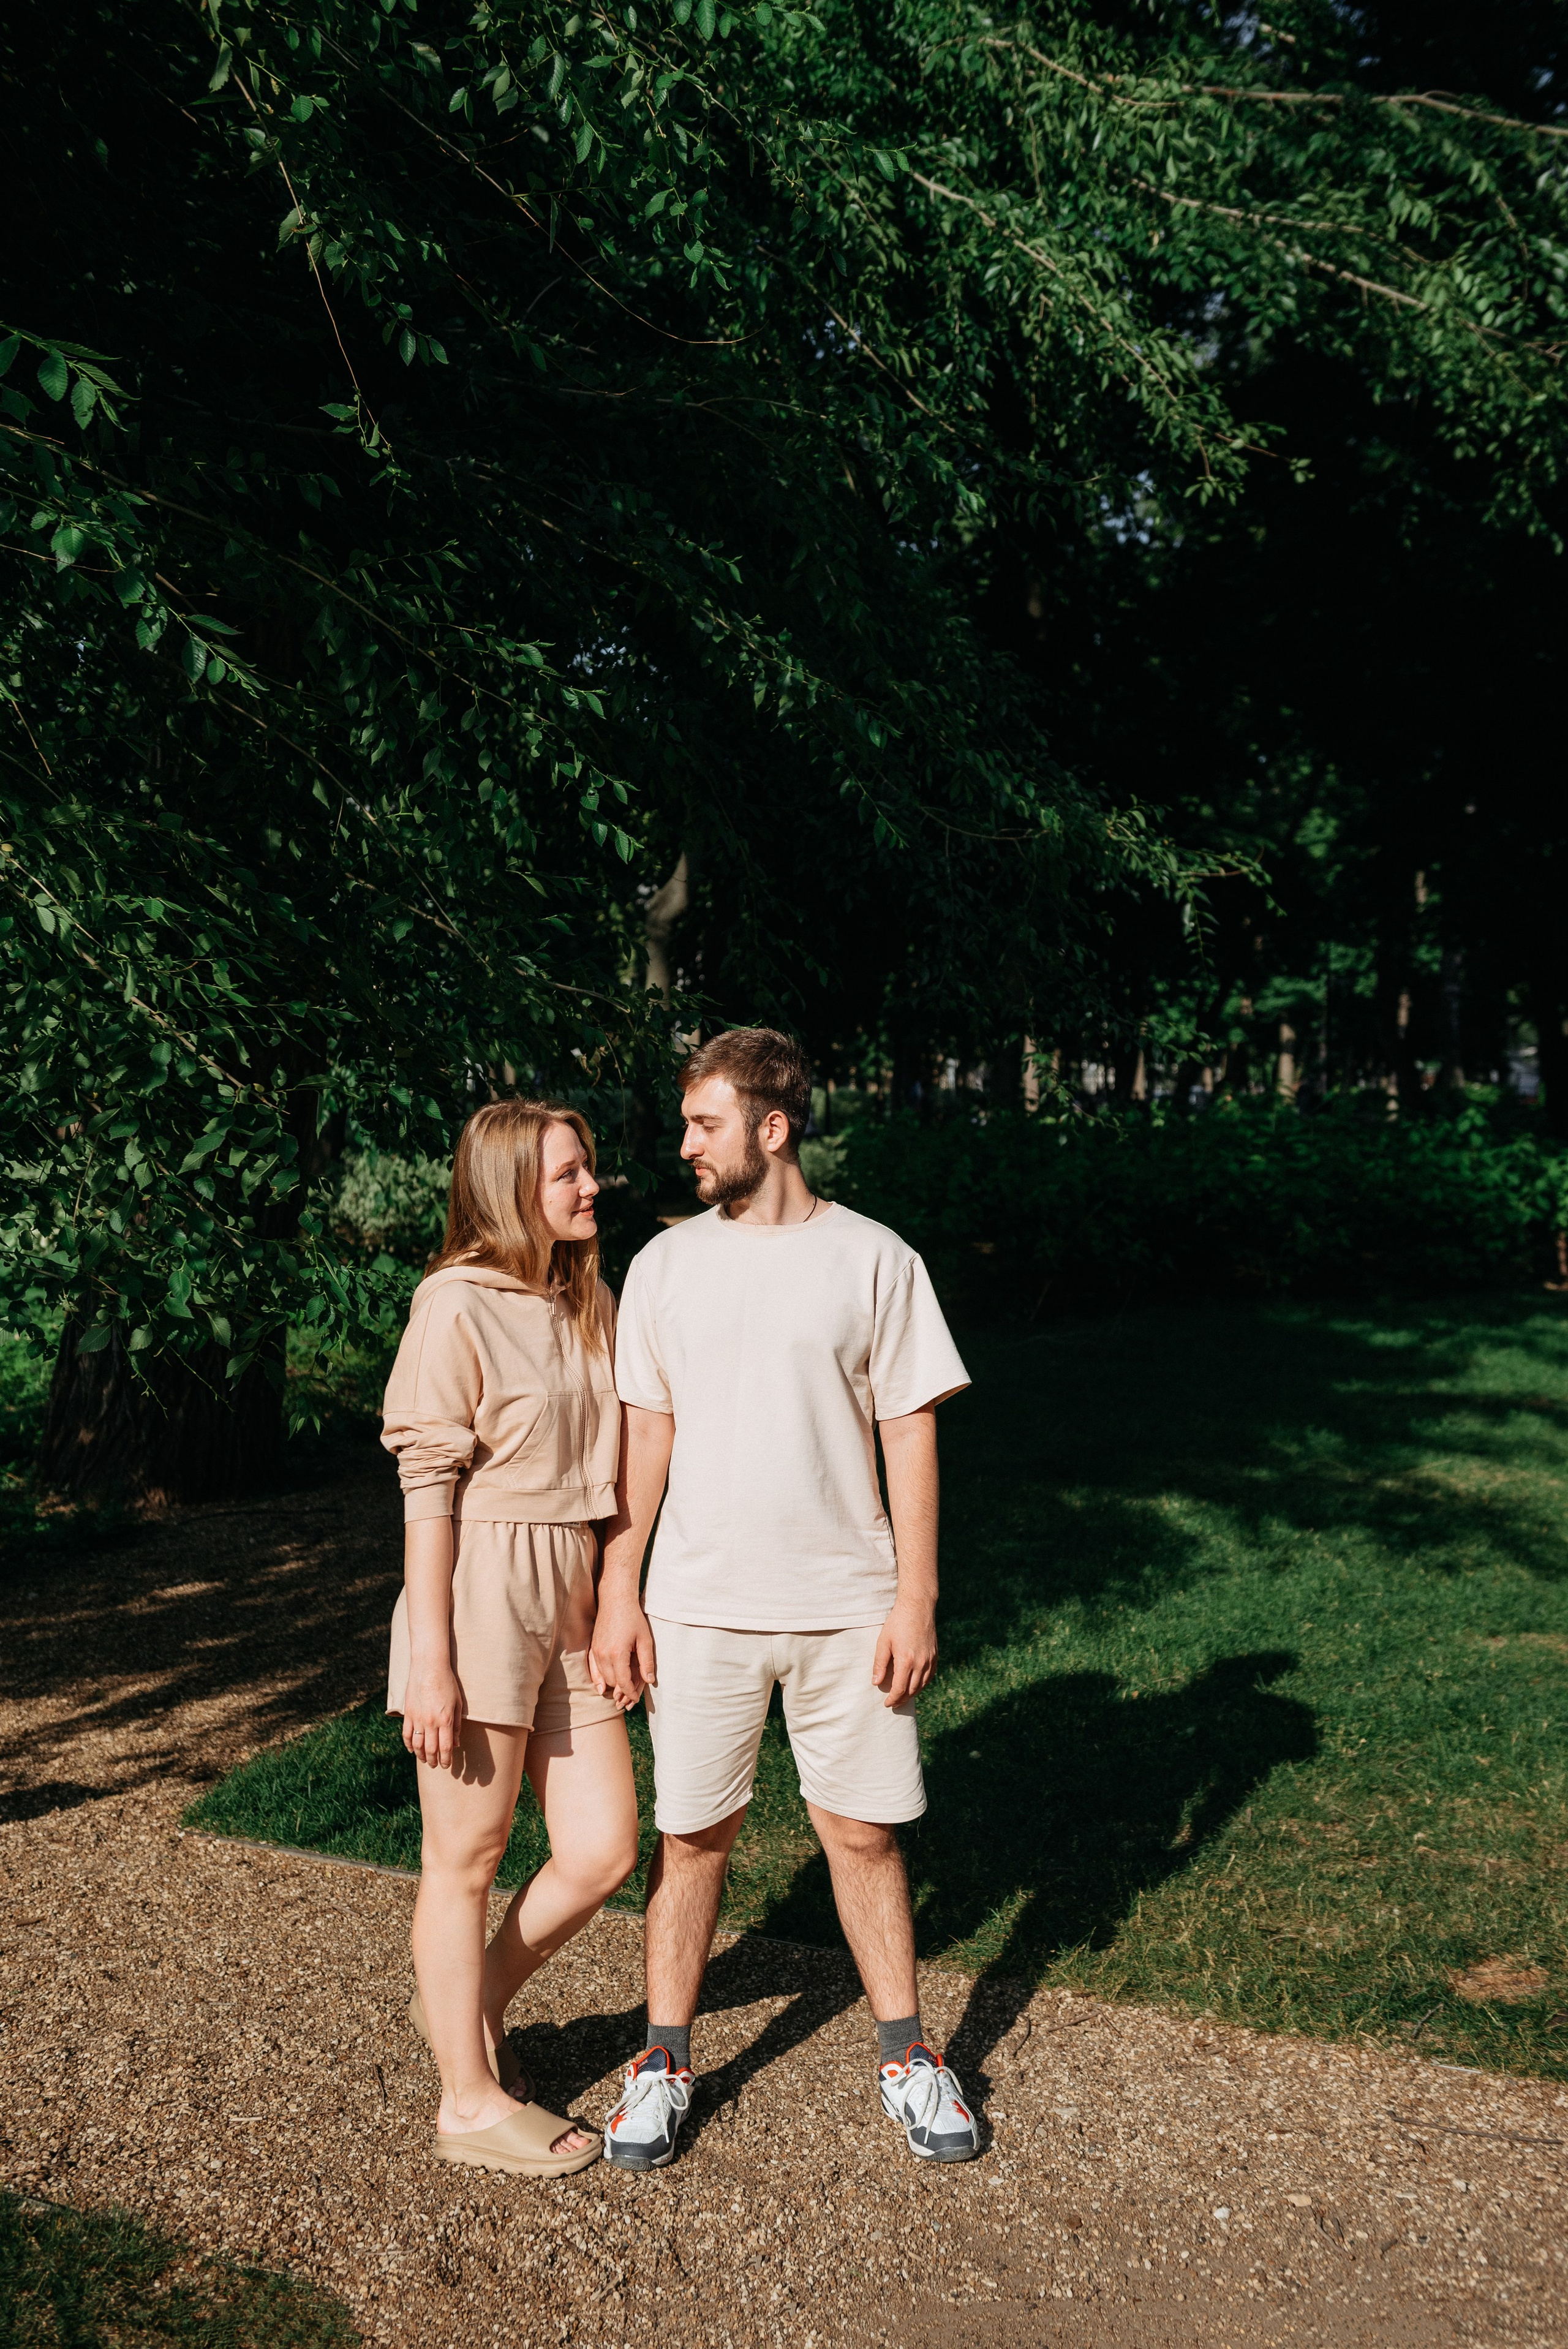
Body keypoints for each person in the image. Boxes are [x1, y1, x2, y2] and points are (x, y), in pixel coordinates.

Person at [590, 1028, 981, 2169]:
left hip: (848, 1606)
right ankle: (663, 2064)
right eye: (684, 1126)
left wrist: (916, 1596)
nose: (684, 1147)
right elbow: (644, 1438)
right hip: (699, 1606)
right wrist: (623, 1589)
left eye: (703, 1125)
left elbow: (909, 1428)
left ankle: (910, 2058)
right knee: (691, 1836)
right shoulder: (664, 1266)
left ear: (775, 1127)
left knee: (860, 1834)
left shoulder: (875, 1258)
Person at [380, 1098, 639, 2178]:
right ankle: (467, 2101)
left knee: (603, 1849)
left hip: (571, 1587)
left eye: (588, 1170)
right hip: (479, 1584)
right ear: (506, 1192)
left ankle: (469, 2005)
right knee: (468, 1856)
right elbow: (428, 1488)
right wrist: (433, 1662)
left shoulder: (585, 1297)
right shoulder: (455, 1305)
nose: (592, 1189)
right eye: (568, 1176)